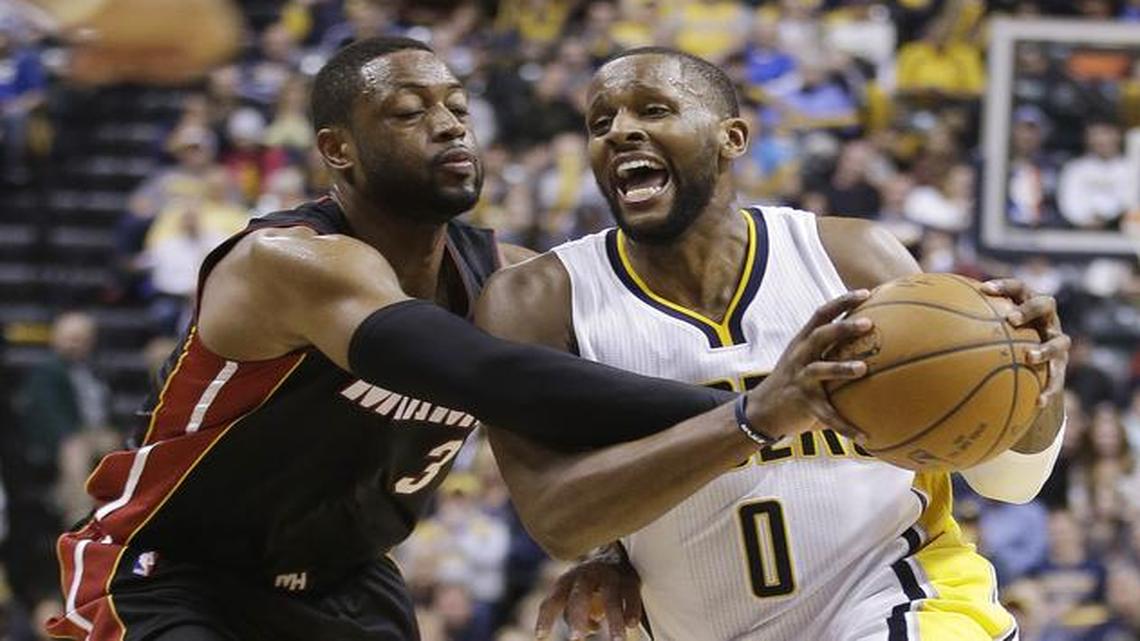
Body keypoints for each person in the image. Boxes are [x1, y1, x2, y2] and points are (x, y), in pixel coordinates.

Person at [45, 38, 790, 641]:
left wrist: (613, 547)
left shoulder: (504, 277)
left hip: (348, 582)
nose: (449, 124)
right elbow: (487, 372)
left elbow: (582, 418)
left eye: (459, 108)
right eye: (408, 111)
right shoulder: (289, 261)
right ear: (338, 149)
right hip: (170, 576)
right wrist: (758, 408)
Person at [474, 48, 1071, 641]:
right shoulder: (540, 301)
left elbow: (1010, 483)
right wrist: (756, 418)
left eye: (654, 111)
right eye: (600, 123)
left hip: (903, 601)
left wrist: (1037, 377)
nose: (622, 131)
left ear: (731, 138)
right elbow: (558, 522)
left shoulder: (849, 256)